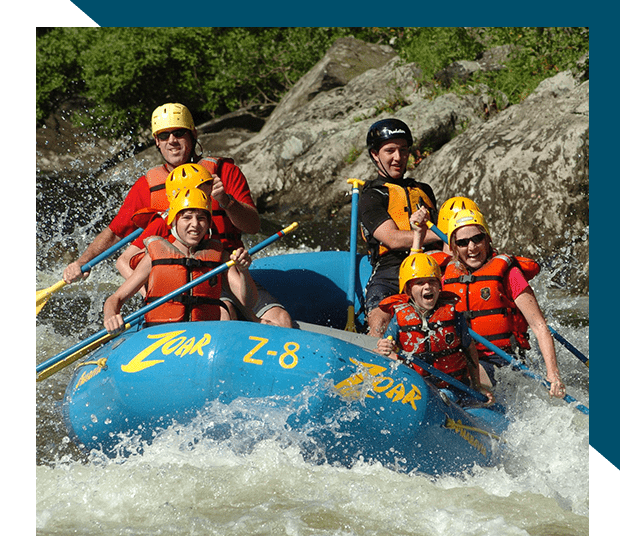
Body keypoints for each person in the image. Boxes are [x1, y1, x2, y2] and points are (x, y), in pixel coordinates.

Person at [64, 102, 293, 328]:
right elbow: (116, 233)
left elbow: (253, 226)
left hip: (228, 268)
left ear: (193, 135)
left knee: (281, 320)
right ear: (157, 141)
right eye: (164, 135)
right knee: (226, 313)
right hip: (181, 276)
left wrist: (227, 202)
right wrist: (82, 262)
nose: (172, 141)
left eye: (179, 133)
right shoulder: (147, 187)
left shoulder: (224, 173)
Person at [439, 208, 566, 399]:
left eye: (477, 239)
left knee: (465, 377)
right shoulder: (447, 277)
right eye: (463, 242)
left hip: (501, 359)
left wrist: (553, 375)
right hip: (462, 357)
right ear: (454, 247)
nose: (472, 247)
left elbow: (539, 326)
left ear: (487, 239)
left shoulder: (509, 274)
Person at [103, 186, 256, 335]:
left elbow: (248, 302)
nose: (195, 224)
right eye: (187, 217)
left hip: (202, 339)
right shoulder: (154, 257)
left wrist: (244, 272)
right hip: (162, 338)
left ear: (209, 223)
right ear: (174, 221)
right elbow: (115, 299)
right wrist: (111, 316)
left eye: (201, 218)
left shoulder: (219, 256)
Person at [375, 250, 493, 405]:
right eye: (420, 282)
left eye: (432, 281)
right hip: (416, 388)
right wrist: (383, 346)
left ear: (439, 286)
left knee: (445, 396)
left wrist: (477, 386)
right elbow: (385, 347)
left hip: (453, 388)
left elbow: (470, 350)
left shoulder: (454, 316)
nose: (427, 287)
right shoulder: (399, 318)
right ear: (408, 290)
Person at [358, 118, 440, 337]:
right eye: (390, 151)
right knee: (379, 316)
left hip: (429, 262)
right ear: (375, 154)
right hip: (391, 268)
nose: (398, 158)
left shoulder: (423, 190)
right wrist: (438, 235)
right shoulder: (371, 196)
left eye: (403, 150)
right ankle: (373, 354)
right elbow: (392, 239)